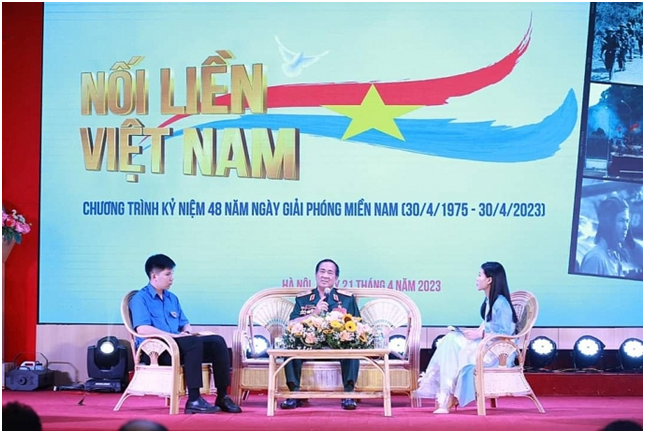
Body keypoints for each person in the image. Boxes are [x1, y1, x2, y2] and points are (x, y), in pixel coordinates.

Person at [130, 254, 242, 415]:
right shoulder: (140, 299)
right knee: (192, 343)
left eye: (172, 274)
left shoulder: (172, 298)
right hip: (156, 352)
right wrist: (174, 336)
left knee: (217, 341)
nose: (172, 278)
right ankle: (194, 399)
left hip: (178, 346)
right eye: (168, 274)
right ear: (154, 276)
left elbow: (184, 323)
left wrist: (187, 332)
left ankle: (222, 396)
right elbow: (142, 329)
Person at [414, 261, 518, 413]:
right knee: (451, 340)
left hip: (498, 354)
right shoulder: (489, 301)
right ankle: (446, 396)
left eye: (479, 275)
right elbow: (488, 326)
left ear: (489, 280)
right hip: (487, 347)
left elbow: (506, 335)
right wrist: (472, 333)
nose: (477, 278)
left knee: (451, 343)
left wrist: (480, 334)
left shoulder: (501, 303)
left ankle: (448, 397)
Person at [280, 258, 361, 411]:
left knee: (352, 351)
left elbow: (357, 324)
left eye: (330, 272)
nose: (325, 275)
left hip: (337, 348)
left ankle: (348, 395)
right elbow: (291, 323)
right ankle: (294, 395)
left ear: (336, 278)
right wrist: (314, 313)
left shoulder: (346, 298)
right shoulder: (303, 298)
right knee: (291, 350)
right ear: (316, 275)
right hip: (309, 347)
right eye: (322, 271)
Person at [580, 196, 642, 279]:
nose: (626, 227)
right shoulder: (595, 258)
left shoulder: (616, 259)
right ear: (608, 223)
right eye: (621, 221)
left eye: (627, 221)